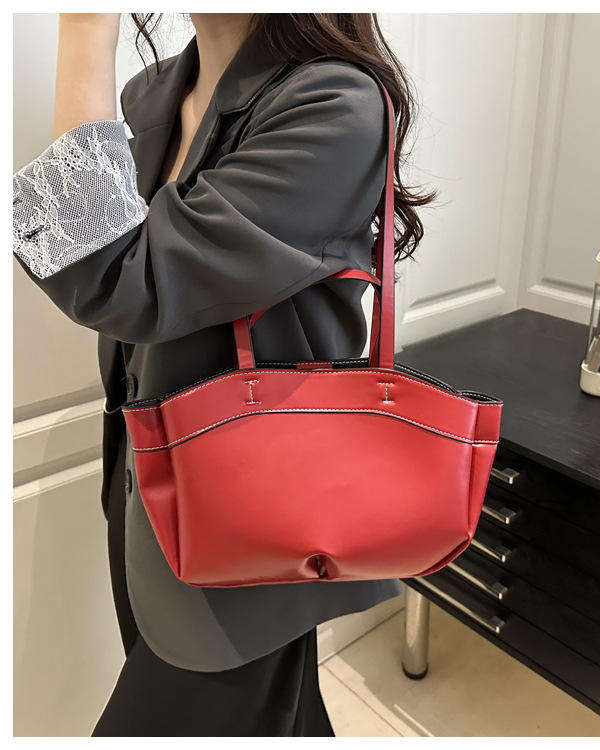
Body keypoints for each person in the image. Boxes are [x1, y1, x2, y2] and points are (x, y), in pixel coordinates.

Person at [12, 12, 432, 736]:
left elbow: (107, 278)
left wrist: (82, 28)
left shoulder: (335, 104)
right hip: (141, 484)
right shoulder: (151, 92)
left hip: (253, 515)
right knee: (273, 716)